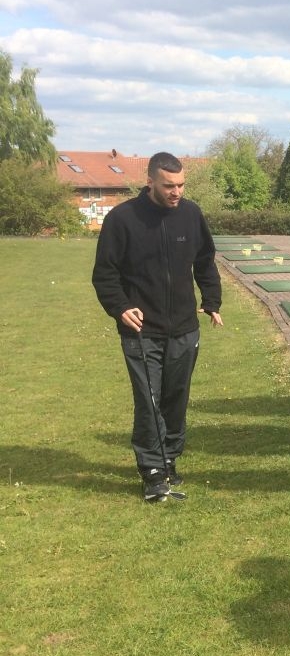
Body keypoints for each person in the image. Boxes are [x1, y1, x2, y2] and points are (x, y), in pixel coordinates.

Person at [92, 152, 223, 503]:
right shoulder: (122, 219)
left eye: (181, 185)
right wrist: (120, 308)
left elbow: (205, 261)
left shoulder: (191, 214)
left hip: (184, 326)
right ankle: (151, 470)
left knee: (175, 397)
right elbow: (105, 274)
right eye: (168, 185)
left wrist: (212, 300)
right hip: (141, 331)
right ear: (150, 181)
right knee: (148, 399)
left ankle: (169, 457)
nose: (176, 192)